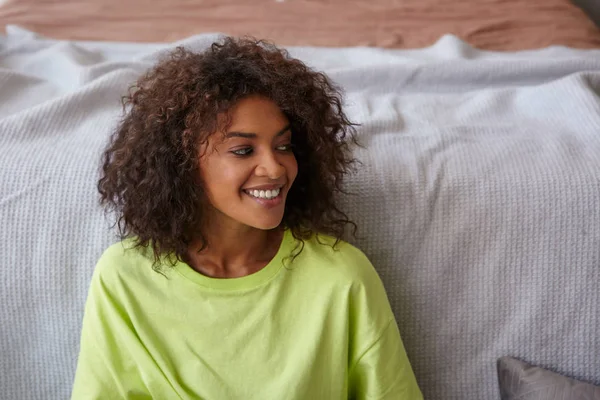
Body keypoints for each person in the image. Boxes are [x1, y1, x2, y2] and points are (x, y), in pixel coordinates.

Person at [71, 36, 422, 400]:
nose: (275, 167)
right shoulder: (125, 276)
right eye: (243, 150)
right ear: (181, 164)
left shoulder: (341, 276)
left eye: (284, 146)